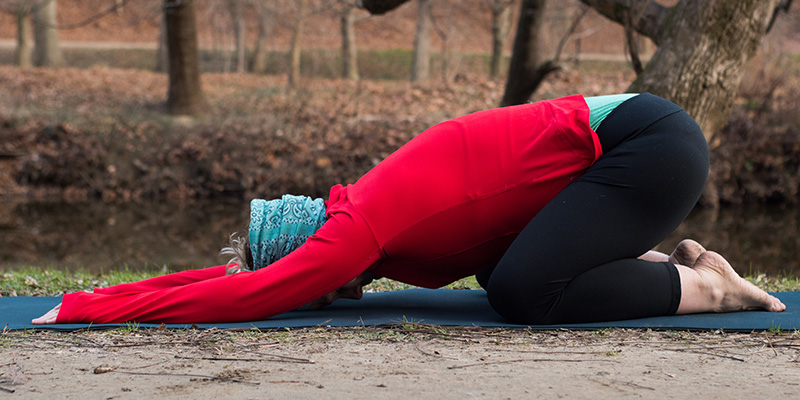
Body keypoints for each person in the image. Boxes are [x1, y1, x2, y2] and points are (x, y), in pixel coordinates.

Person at [32, 93, 785, 326]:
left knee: (522, 292)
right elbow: (222, 275)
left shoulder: (355, 233)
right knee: (500, 265)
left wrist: (84, 309)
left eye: (310, 277)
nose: (322, 291)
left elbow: (245, 292)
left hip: (648, 148)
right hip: (637, 144)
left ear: (309, 253)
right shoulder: (361, 205)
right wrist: (92, 294)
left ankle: (705, 289)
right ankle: (675, 261)